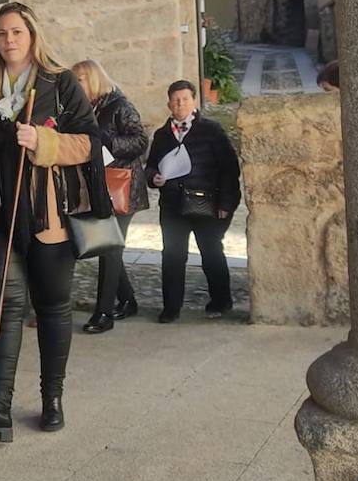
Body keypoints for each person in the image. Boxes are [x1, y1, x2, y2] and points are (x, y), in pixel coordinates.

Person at [0, 2, 111, 440]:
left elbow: (90, 144)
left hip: (45, 215)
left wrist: (44, 141)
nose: (10, 40)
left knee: (54, 306)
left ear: (32, 36)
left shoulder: (59, 83)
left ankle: (51, 398)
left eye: (17, 32)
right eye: (2, 34)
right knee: (2, 307)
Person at [143, 80, 241, 323]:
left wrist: (226, 204)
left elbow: (229, 168)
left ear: (194, 101)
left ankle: (221, 300)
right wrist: (153, 178)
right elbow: (151, 165)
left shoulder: (211, 130)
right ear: (169, 104)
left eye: (185, 99)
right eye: (176, 100)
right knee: (172, 256)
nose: (180, 104)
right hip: (173, 205)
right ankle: (171, 307)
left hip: (205, 202)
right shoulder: (162, 135)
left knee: (211, 254)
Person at [72, 60, 150, 334]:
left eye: (80, 79)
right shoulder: (87, 108)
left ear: (93, 79)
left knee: (109, 248)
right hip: (101, 188)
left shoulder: (119, 106)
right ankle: (128, 300)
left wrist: (110, 144)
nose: (76, 84)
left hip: (123, 188)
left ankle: (103, 313)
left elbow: (141, 141)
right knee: (109, 245)